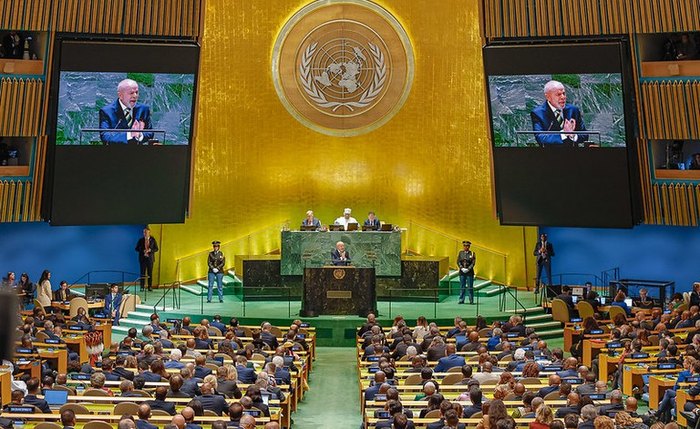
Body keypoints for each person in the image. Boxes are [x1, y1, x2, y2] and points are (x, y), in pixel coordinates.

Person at [530, 80, 589, 147]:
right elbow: (540, 138)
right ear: (548, 97)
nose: (563, 97)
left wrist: (573, 135)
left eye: (564, 93)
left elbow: (585, 135)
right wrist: (564, 133)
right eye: (558, 94)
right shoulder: (538, 113)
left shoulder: (573, 110)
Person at [99, 79, 153, 145]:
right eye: (131, 93)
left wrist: (139, 135)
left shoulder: (143, 109)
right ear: (120, 95)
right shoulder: (107, 111)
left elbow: (150, 132)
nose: (135, 96)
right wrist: (130, 134)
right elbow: (105, 136)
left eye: (137, 92)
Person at [135, 227, 158, 291]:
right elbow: (136, 248)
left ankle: (149, 287)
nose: (144, 233)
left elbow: (156, 248)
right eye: (144, 232)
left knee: (150, 273)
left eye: (146, 232)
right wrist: (143, 250)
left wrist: (151, 250)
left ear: (149, 232)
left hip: (150, 259)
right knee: (142, 273)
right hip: (142, 259)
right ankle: (142, 287)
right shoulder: (141, 240)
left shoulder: (153, 239)